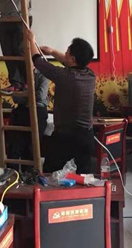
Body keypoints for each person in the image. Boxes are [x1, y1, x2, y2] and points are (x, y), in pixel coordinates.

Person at [26, 29, 96, 174]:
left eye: (67, 52)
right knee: (84, 176)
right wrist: (51, 51)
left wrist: (31, 40)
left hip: (66, 137)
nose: (64, 54)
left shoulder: (64, 76)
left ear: (73, 59)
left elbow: (38, 62)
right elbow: (67, 61)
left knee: (50, 172)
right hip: (86, 136)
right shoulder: (90, 75)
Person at [7, 66, 49, 167]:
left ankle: (29, 174)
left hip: (38, 111)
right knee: (15, 146)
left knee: (32, 147)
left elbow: (41, 96)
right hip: (22, 110)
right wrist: (30, 95)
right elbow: (16, 98)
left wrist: (25, 93)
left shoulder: (42, 74)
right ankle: (13, 174)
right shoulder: (18, 76)